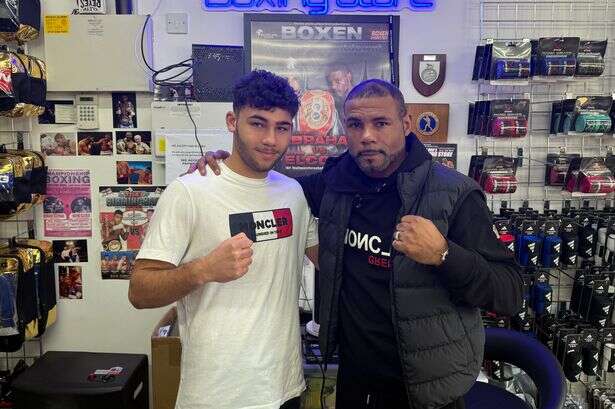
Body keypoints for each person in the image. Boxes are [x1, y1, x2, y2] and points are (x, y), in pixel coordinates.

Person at [191, 79, 523, 409]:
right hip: (355, 379)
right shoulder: (335, 185)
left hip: (426, 390)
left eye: (380, 123)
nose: (367, 135)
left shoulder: (454, 194)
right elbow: (271, 190)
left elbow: (509, 292)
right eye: (355, 124)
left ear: (405, 124)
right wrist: (228, 163)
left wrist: (444, 255)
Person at [128, 70, 319, 409]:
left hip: (284, 387)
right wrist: (202, 270)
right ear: (233, 121)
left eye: (282, 127)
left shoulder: (293, 194)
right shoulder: (190, 191)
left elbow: (328, 262)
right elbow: (140, 291)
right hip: (217, 395)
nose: (270, 140)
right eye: (257, 123)